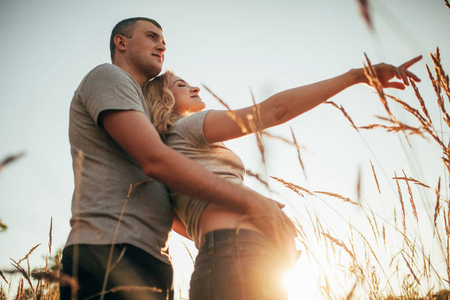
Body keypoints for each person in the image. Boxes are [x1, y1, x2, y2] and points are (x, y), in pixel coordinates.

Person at [142, 55, 422, 300]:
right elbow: (275, 111)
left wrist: (249, 208)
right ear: (163, 99)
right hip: (238, 256)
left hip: (226, 260)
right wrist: (356, 76)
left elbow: (177, 222)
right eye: (180, 85)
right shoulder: (188, 127)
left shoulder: (165, 153)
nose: (194, 87)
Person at [61, 17, 296, 300]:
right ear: (121, 42)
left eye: (163, 42)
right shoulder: (108, 77)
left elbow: (171, 209)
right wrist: (255, 204)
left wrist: (235, 230)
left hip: (154, 261)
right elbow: (154, 161)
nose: (161, 45)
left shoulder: (154, 128)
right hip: (109, 251)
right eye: (151, 36)